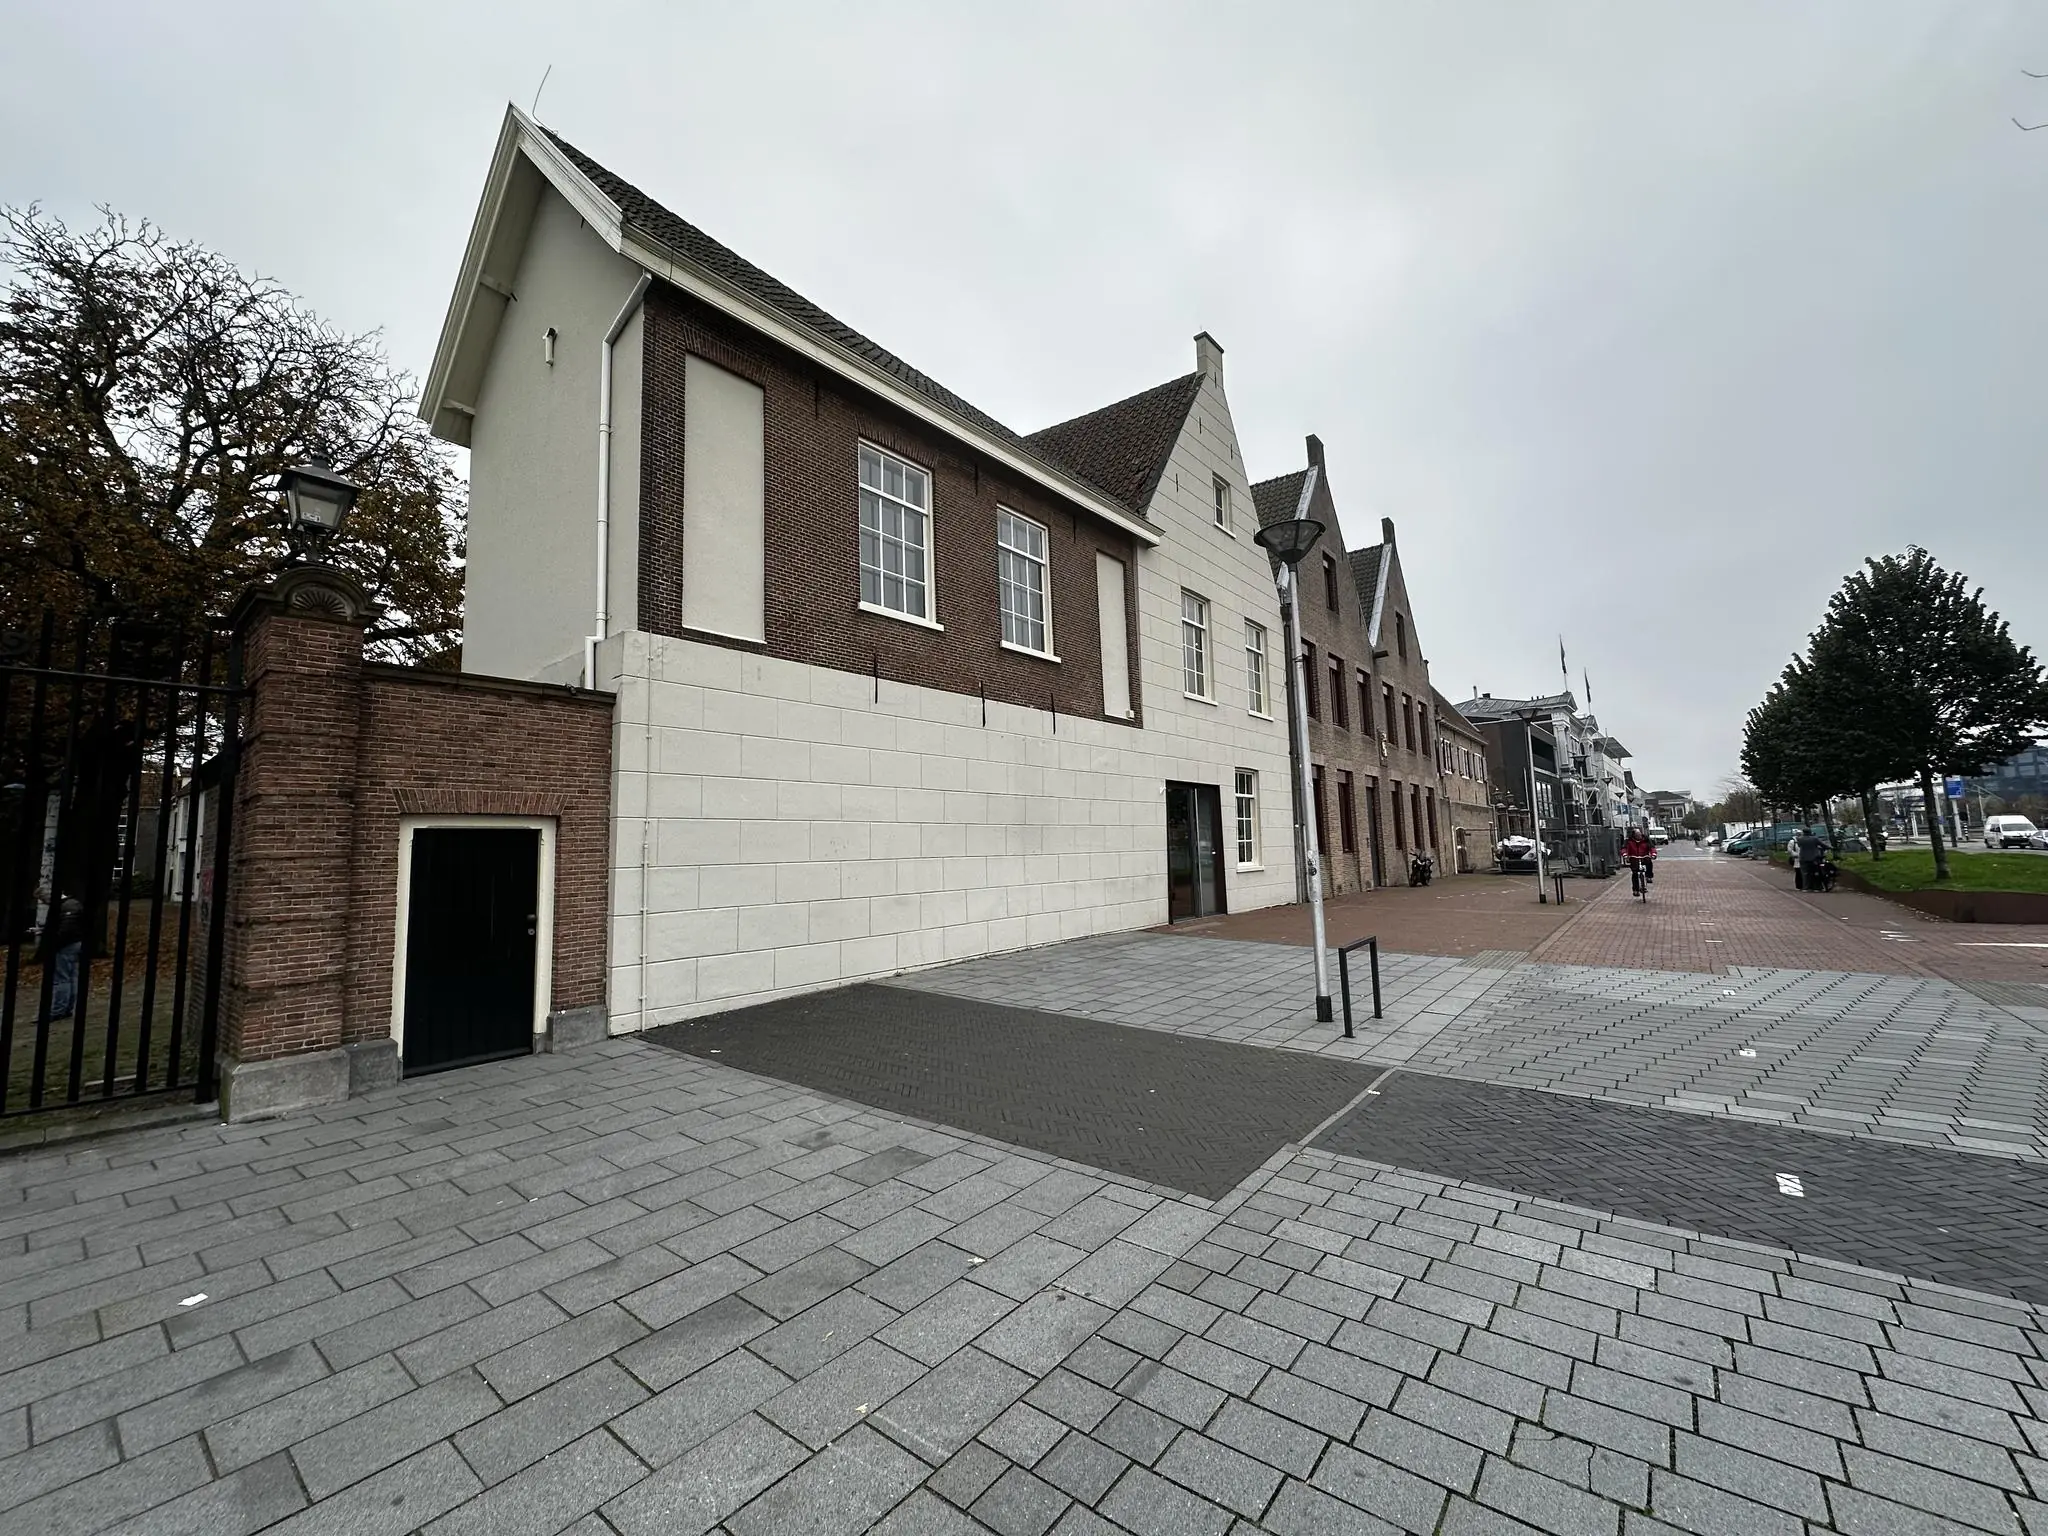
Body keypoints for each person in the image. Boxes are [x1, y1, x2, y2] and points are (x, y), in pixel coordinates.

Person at [40, 893, 84, 1023]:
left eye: (43, 899)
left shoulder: (66, 907)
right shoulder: (73, 904)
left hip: (65, 946)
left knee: (61, 978)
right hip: (74, 944)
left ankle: (58, 1010)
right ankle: (67, 1008)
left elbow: (66, 930)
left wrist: (53, 944)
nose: (44, 903)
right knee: (71, 977)